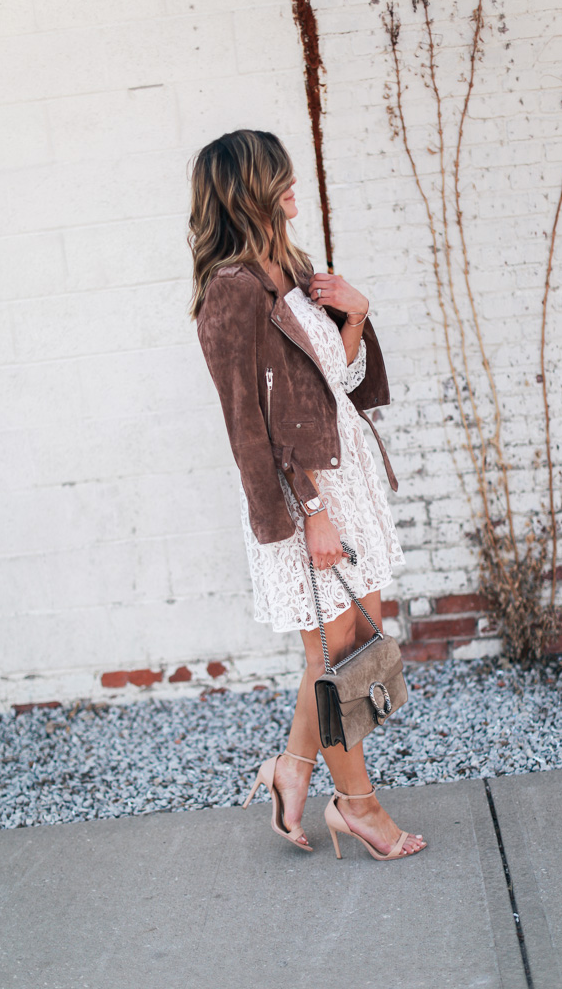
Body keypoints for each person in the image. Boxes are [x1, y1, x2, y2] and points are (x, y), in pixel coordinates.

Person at [188, 129, 426, 861]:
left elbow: (337, 386)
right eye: (281, 178)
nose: (295, 189)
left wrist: (354, 315)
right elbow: (248, 426)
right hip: (304, 498)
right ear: (248, 191)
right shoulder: (231, 292)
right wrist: (310, 515)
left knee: (352, 645)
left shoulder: (289, 268)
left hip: (345, 477)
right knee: (335, 658)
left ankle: (290, 768)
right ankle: (358, 807)